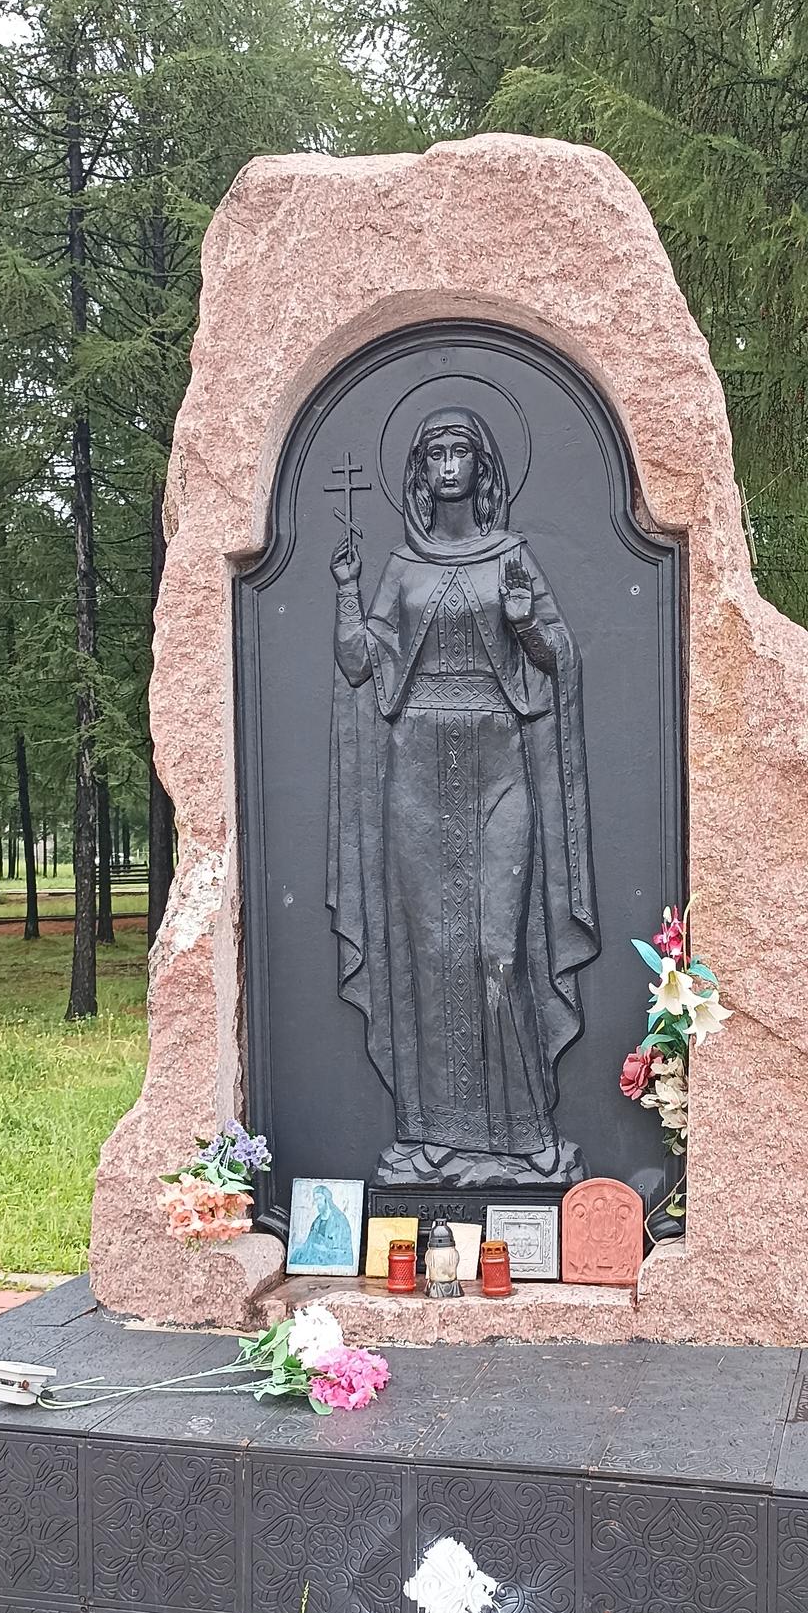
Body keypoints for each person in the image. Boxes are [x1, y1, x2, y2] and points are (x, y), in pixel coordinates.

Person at [328, 404, 598, 1189]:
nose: (449, 465)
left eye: (461, 452)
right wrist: (346, 589)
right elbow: (359, 663)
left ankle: (527, 1134)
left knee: (496, 950)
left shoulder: (512, 558)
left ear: (483, 467)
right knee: (427, 953)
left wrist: (526, 625)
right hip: (415, 769)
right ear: (421, 470)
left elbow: (559, 656)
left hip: (498, 764)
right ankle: (428, 1136)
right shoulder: (402, 567)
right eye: (436, 454)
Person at [289, 1183, 354, 1268]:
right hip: (317, 1255)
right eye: (315, 1200)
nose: (317, 1203)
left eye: (319, 1198)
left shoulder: (339, 1220)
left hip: (332, 1257)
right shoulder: (317, 1221)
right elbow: (309, 1243)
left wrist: (325, 1249)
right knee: (296, 1256)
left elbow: (344, 1250)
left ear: (327, 1199)